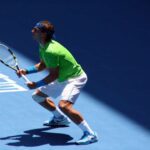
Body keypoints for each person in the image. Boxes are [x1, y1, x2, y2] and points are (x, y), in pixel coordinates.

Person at [17, 20, 98, 145]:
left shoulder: (51, 51)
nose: (32, 31)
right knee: (38, 96)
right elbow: (43, 65)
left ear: (43, 34)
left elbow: (54, 75)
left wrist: (35, 84)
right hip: (62, 77)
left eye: (35, 30)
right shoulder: (43, 45)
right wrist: (26, 71)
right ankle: (60, 119)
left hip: (74, 78)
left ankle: (90, 134)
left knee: (64, 106)